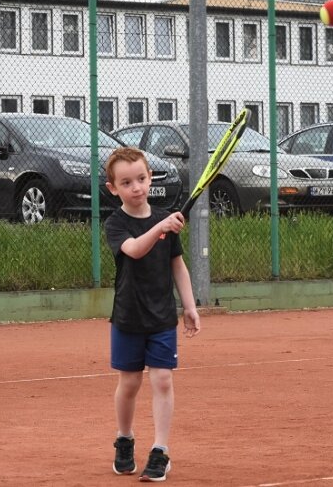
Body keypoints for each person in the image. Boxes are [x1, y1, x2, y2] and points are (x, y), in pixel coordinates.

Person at [103, 147, 201, 482]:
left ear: (150, 178)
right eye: (127, 182)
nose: (137, 187)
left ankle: (160, 451)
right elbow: (134, 250)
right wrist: (161, 225)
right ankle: (124, 438)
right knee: (129, 383)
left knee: (162, 379)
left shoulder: (165, 219)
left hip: (161, 318)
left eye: (142, 178)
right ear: (113, 188)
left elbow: (178, 265)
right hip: (128, 316)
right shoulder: (115, 223)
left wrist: (189, 305)